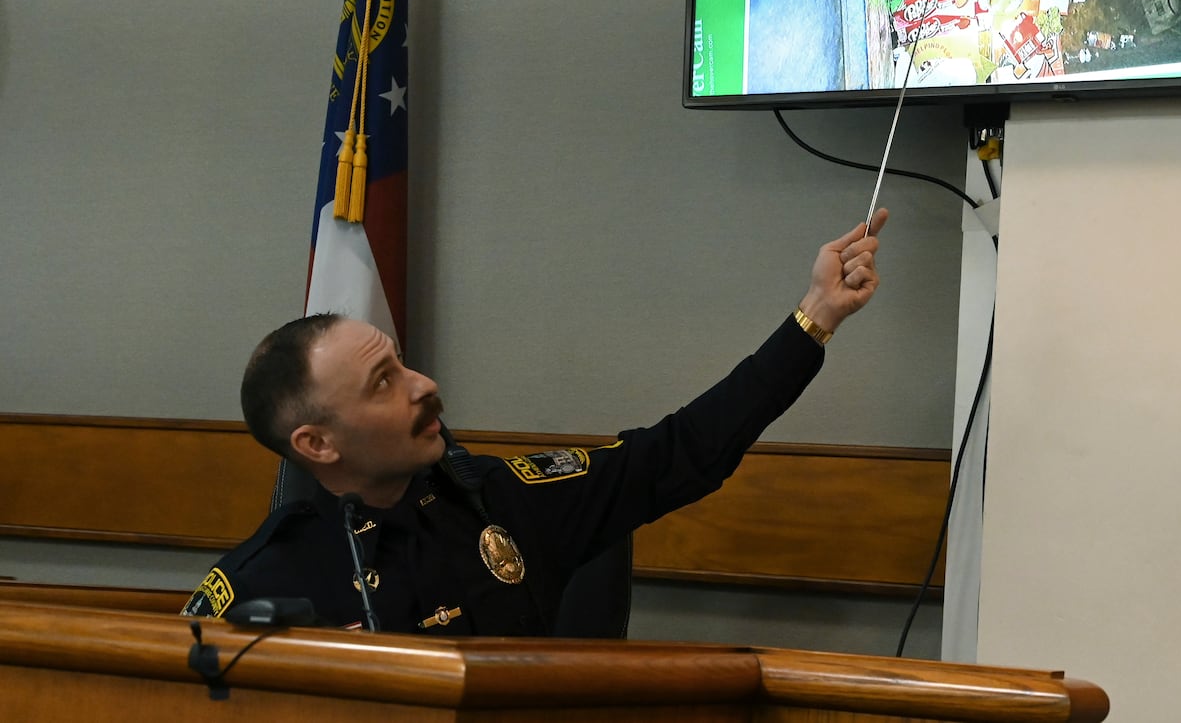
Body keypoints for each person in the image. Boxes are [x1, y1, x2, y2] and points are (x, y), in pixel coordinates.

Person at [180, 210, 889, 636]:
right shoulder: (255, 590)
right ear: (317, 443)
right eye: (385, 382)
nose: (425, 385)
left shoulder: (505, 498)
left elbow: (681, 451)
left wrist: (816, 316)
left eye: (404, 363)